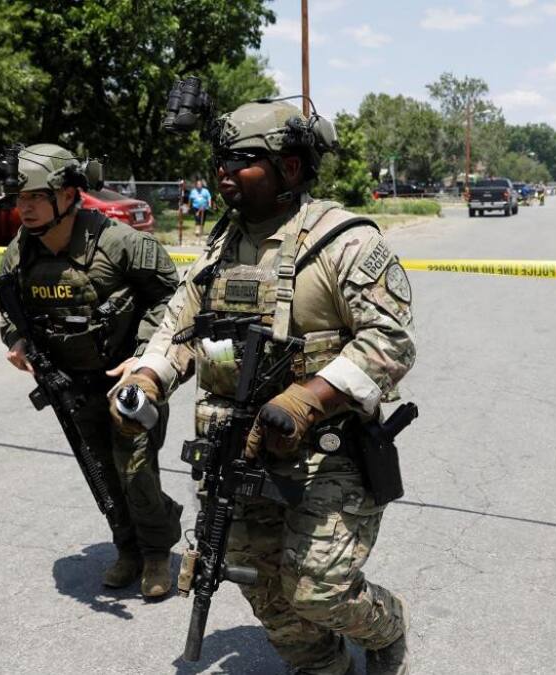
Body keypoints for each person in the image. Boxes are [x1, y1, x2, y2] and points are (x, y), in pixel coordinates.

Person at [112, 100, 416, 675]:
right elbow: (181, 328)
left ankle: (387, 625)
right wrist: (147, 380)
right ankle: (323, 666)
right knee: (262, 583)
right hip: (239, 450)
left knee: (317, 590)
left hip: (333, 452)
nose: (224, 172)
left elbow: (391, 341)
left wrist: (307, 399)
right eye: (220, 160)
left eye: (243, 160)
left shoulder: (343, 239)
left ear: (291, 168)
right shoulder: (220, 246)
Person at [0, 143, 184, 596]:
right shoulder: (19, 254)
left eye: (36, 197)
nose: (25, 208)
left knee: (136, 469)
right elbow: (8, 308)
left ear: (67, 194)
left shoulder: (120, 242)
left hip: (129, 381)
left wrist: (144, 354)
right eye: (20, 199)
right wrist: (16, 340)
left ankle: (157, 553)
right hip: (70, 385)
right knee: (99, 470)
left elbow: (170, 297)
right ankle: (128, 548)